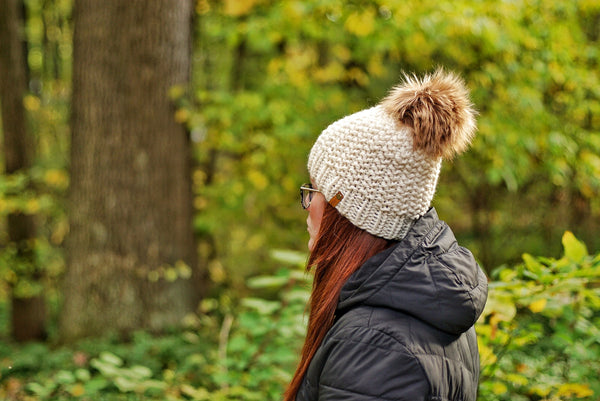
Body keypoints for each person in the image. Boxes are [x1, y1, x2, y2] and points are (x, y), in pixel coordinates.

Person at [285, 69, 489, 401]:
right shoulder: (431, 302)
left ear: (347, 212)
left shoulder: (373, 346)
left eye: (315, 191)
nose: (307, 205)